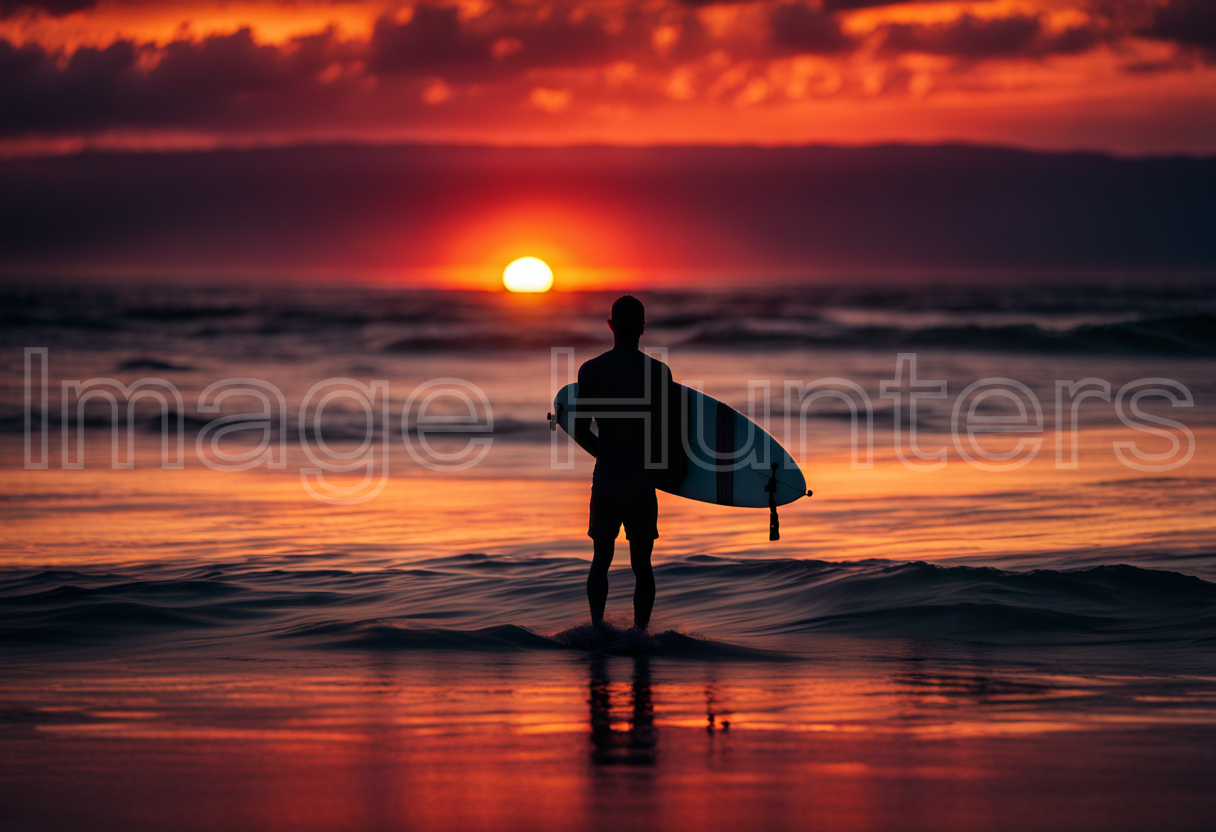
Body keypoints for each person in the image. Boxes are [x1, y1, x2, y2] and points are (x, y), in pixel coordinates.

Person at [574, 295, 684, 631]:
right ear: (643, 328)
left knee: (600, 561)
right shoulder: (658, 373)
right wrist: (667, 471)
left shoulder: (591, 370)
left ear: (611, 326)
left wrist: (606, 456)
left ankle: (596, 630)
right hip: (641, 480)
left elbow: (579, 429)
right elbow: (668, 434)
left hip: (606, 477)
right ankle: (639, 635)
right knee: (642, 565)